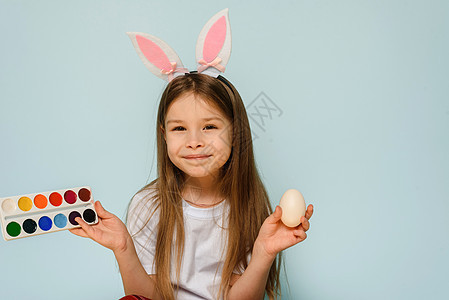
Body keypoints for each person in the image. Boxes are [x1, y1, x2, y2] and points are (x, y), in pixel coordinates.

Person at [70, 9, 313, 300]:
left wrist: (262, 253)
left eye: (209, 126)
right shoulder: (148, 206)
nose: (194, 142)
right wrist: (124, 249)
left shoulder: (248, 205)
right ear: (164, 135)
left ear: (236, 133)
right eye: (179, 129)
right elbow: (145, 298)